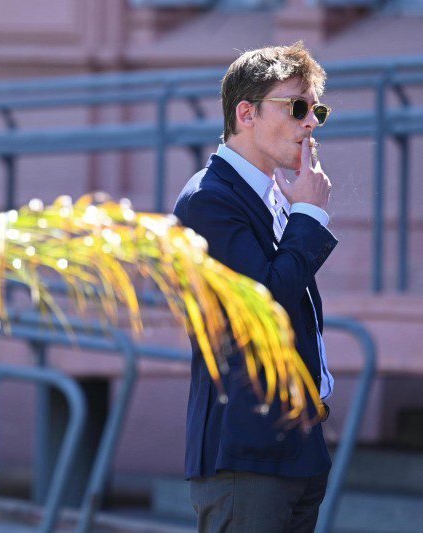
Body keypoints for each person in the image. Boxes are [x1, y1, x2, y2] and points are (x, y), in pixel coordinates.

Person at [173, 42, 336, 532]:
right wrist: (309, 214)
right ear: (246, 113)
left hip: (294, 448)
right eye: (297, 108)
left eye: (317, 111)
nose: (310, 124)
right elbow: (264, 301)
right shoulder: (208, 199)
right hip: (245, 455)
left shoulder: (271, 194)